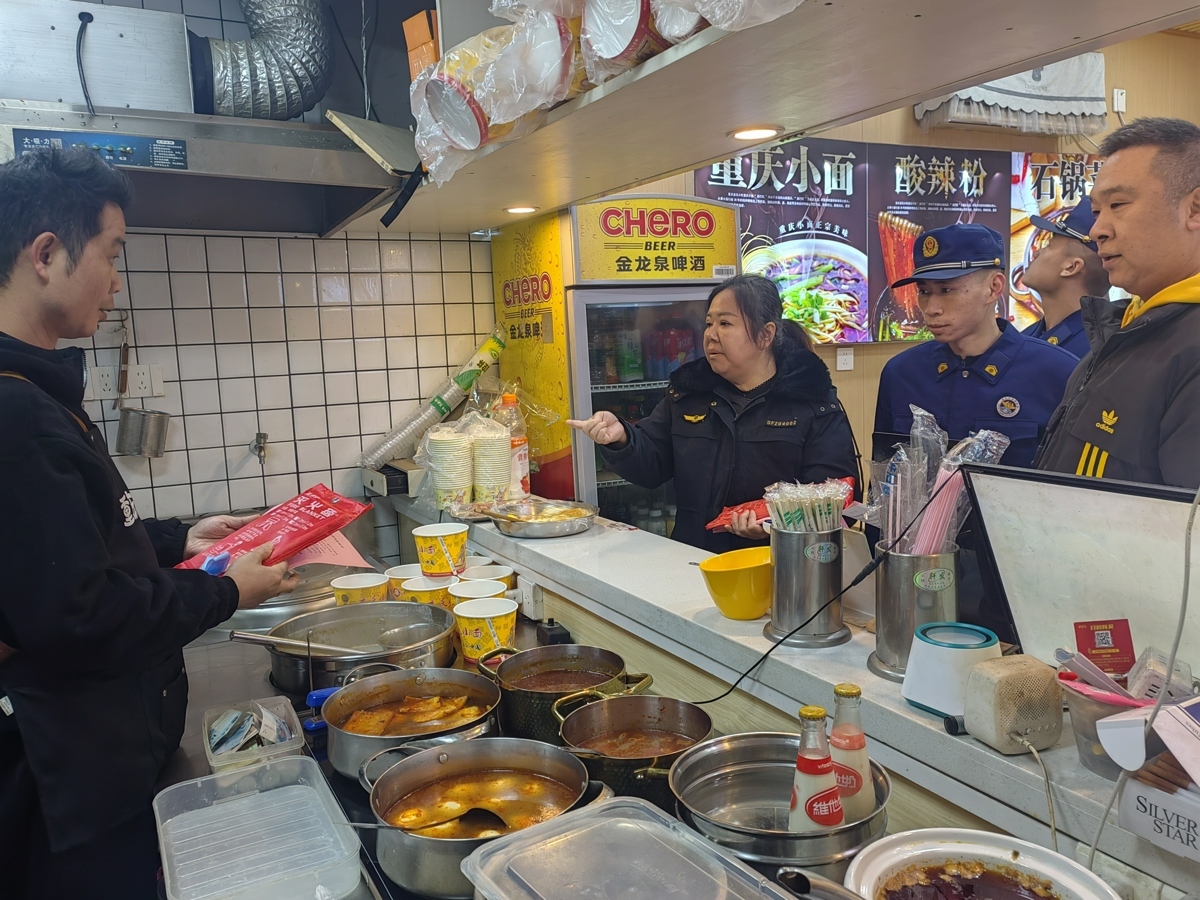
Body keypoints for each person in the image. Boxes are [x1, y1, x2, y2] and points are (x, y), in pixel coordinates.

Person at [0, 147, 299, 898]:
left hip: (93, 768)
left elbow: (71, 544)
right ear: (46, 255)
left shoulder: (36, 392)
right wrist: (226, 591)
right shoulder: (17, 415)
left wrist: (174, 540)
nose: (116, 279)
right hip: (71, 789)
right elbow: (81, 616)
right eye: (112, 252)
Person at [568, 274, 859, 552]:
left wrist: (776, 524)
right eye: (709, 323)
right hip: (694, 560)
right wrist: (621, 438)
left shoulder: (813, 402)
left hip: (779, 567)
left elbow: (833, 493)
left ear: (765, 335)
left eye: (725, 323)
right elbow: (652, 464)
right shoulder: (688, 395)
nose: (711, 335)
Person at [1036, 117, 1200, 488]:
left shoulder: (1189, 345)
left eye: (1118, 204)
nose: (1097, 231)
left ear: (1194, 209)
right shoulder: (1127, 329)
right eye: (1097, 211)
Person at [873, 223, 1079, 468]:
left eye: (946, 290)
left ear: (994, 288)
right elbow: (884, 473)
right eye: (924, 291)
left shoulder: (1058, 373)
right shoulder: (902, 373)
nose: (931, 308)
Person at [1020, 203, 1111, 358]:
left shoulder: (1097, 351)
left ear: (1071, 267)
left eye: (1049, 246)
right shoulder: (1026, 336)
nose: (1036, 253)